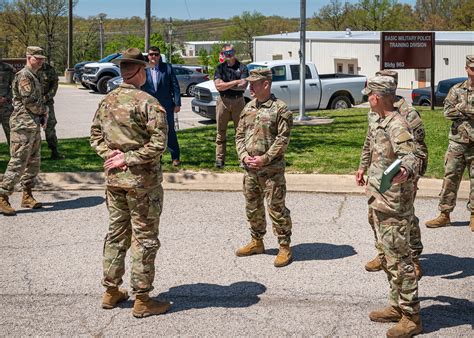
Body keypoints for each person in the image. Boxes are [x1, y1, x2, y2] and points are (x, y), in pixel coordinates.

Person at [90, 48, 170, 318]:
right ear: (137, 71)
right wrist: (128, 158)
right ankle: (143, 299)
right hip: (141, 183)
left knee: (116, 234)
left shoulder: (107, 101)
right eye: (145, 69)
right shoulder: (147, 102)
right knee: (144, 238)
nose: (146, 72)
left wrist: (111, 157)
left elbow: (94, 136)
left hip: (115, 182)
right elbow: (159, 145)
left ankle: (111, 291)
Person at [362, 75, 422, 337]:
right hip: (379, 197)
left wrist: (406, 170)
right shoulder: (378, 120)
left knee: (401, 260)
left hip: (394, 203)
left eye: (369, 95)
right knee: (388, 257)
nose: (367, 99)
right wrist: (362, 168)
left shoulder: (397, 124)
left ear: (376, 97)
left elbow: (412, 156)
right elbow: (371, 146)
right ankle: (397, 306)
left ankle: (411, 317)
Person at [356, 70, 427, 279]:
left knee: (406, 221)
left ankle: (413, 258)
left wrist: (413, 175)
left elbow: (418, 150)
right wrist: (362, 166)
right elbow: (370, 141)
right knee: (374, 218)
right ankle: (383, 253)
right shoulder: (374, 113)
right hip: (379, 179)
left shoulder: (407, 114)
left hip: (400, 182)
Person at [235, 68, 293, 268]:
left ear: (266, 84)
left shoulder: (280, 109)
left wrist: (265, 158)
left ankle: (284, 246)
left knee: (276, 208)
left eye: (254, 83)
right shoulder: (248, 107)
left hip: (271, 171)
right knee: (252, 207)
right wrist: (243, 156)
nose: (250, 87)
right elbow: (239, 135)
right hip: (250, 169)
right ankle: (257, 242)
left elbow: (282, 140)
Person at [425, 55, 474, 232]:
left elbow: (455, 111)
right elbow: (447, 113)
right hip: (458, 142)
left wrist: (461, 109)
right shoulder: (456, 90)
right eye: (472, 69)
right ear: (466, 68)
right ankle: (444, 214)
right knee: (450, 178)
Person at [0, 46, 48, 216]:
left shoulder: (35, 75)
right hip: (22, 125)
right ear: (28, 57)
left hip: (32, 125)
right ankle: (3, 196)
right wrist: (44, 110)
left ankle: (27, 195)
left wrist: (42, 114)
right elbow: (29, 101)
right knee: (18, 161)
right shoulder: (24, 76)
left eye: (42, 58)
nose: (41, 60)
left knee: (34, 161)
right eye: (38, 58)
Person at [141, 46, 181, 166]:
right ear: (148, 56)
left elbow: (175, 86)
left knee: (170, 131)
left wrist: (177, 103)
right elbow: (140, 87)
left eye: (156, 54)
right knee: (150, 131)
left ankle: (175, 157)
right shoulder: (144, 69)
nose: (153, 57)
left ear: (160, 56)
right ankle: (155, 157)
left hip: (166, 105)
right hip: (149, 106)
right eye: (151, 54)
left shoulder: (167, 68)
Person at [214, 43, 249, 168]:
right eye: (226, 53)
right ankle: (220, 159)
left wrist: (226, 84)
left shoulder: (243, 68)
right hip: (223, 101)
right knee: (220, 131)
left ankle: (242, 158)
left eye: (231, 52)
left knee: (240, 131)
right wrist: (235, 81)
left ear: (234, 52)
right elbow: (218, 86)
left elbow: (243, 86)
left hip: (238, 101)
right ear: (223, 54)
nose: (229, 55)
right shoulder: (220, 68)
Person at [38, 61, 63, 159]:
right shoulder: (29, 70)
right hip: (32, 104)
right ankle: (34, 154)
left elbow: (54, 85)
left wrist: (47, 96)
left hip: (47, 103)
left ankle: (54, 151)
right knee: (33, 129)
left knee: (50, 127)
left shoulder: (49, 69)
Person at [0, 55, 15, 145]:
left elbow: (14, 86)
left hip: (5, 106)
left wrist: (6, 98)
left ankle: (15, 156)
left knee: (11, 133)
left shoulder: (8, 68)